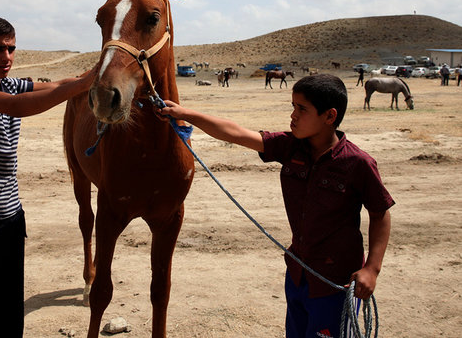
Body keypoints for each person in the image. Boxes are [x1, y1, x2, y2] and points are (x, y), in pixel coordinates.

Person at [158, 74, 394, 338]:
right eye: (292, 107)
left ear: (329, 116)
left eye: (301, 109)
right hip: (297, 276)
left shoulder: (358, 163)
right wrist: (184, 113)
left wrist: (372, 269)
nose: (293, 116)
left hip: (336, 283)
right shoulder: (290, 147)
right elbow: (235, 133)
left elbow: (380, 213)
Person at [0, 15, 95, 337]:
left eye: (11, 49)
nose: (6, 57)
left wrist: (98, 72)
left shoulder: (10, 82)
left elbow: (54, 86)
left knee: (9, 318)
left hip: (10, 221)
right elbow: (15, 107)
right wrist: (83, 84)